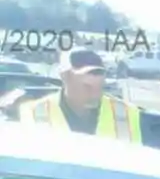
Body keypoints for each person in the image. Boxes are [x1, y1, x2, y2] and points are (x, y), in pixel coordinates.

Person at [13, 47, 144, 143]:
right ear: (65, 77)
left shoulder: (127, 113)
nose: (94, 94)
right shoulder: (34, 111)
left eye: (99, 87)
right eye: (86, 87)